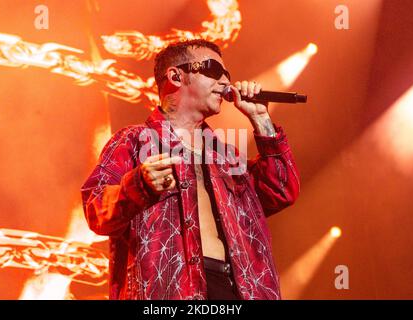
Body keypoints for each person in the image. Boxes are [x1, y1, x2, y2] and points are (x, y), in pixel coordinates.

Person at [81, 39, 300, 300]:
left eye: (227, 75)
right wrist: (138, 184)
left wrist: (262, 120)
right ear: (175, 76)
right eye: (213, 70)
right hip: (171, 294)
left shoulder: (226, 156)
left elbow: (281, 190)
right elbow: (96, 209)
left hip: (239, 290)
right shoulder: (133, 140)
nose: (225, 82)